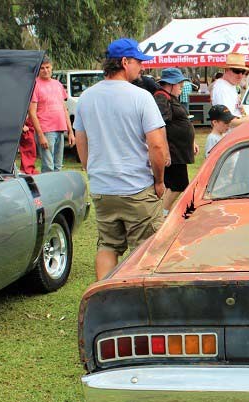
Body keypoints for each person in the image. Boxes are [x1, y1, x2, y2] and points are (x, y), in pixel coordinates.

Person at [73, 38, 169, 280]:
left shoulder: (86, 97)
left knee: (108, 245)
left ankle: (104, 297)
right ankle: (141, 302)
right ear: (124, 62)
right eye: (138, 62)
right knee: (146, 249)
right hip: (136, 187)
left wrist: (91, 170)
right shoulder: (141, 97)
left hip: (103, 189)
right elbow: (157, 145)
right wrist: (159, 181)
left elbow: (81, 142)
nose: (142, 67)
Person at [154, 68, 199, 214]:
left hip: (178, 151)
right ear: (171, 84)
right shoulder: (162, 98)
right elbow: (161, 125)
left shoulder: (170, 98)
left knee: (175, 185)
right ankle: (163, 214)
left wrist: (191, 141)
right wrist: (165, 151)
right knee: (178, 184)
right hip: (173, 151)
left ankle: (164, 212)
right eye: (179, 84)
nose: (181, 87)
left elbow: (181, 122)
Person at [28, 55, 74, 172]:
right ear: (39, 69)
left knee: (58, 166)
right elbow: (32, 112)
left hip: (60, 129)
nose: (45, 70)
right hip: (46, 130)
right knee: (48, 166)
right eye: (42, 68)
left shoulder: (58, 85)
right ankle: (47, 190)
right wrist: (40, 135)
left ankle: (57, 190)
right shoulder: (35, 85)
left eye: (47, 67)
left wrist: (70, 131)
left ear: (52, 67)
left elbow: (64, 109)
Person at [211, 53, 249, 127]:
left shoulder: (230, 85)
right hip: (228, 136)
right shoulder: (222, 88)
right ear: (227, 70)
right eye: (236, 71)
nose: (240, 75)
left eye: (243, 72)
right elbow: (227, 121)